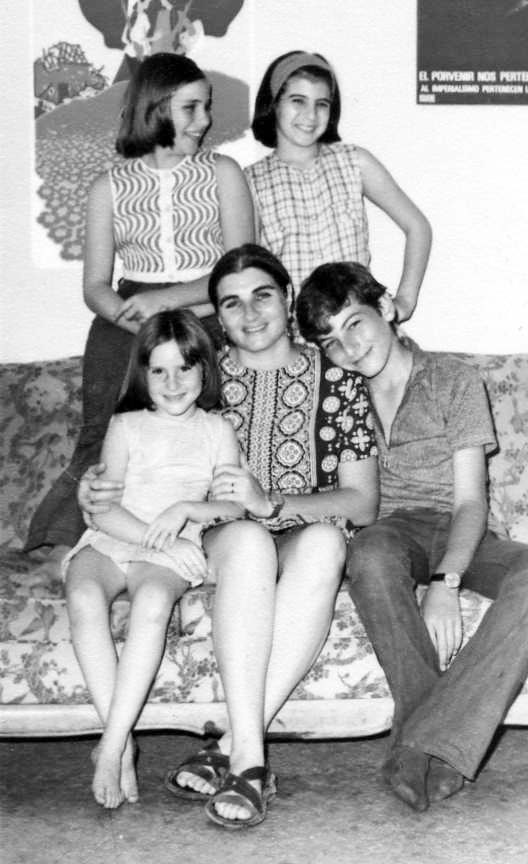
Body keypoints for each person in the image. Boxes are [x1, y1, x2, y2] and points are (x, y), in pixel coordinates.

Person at [79, 244, 379, 828]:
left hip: (298, 527)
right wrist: (90, 493)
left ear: (287, 298)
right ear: (216, 313)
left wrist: (271, 504)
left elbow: (362, 502)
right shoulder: (199, 367)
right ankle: (248, 756)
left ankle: (231, 750)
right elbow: (127, 442)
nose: (249, 313)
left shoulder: (336, 377)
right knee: (245, 540)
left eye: (262, 295)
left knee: (324, 542)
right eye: (230, 302)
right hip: (214, 537)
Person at [296, 261, 528, 812]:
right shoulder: (337, 398)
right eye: (330, 342)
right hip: (392, 532)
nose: (348, 350)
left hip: (461, 529)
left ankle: (423, 742)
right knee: (369, 552)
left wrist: (447, 581)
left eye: (354, 324)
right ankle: (436, 747)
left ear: (388, 309)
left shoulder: (453, 378)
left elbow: (471, 500)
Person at [25, 51, 254, 570]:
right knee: (101, 430)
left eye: (207, 107)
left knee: (213, 425)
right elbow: (94, 287)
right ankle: (73, 542)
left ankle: (208, 542)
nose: (206, 120)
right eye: (192, 108)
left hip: (206, 308)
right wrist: (132, 316)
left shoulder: (223, 172)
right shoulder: (107, 187)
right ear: (155, 109)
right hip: (127, 317)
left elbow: (238, 269)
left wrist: (166, 302)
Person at [64, 309, 244, 810]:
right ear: (142, 373)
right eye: (159, 370)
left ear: (204, 371)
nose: (172, 382)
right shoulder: (126, 425)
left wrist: (188, 510)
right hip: (117, 536)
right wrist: (152, 536)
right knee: (81, 593)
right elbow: (102, 511)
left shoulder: (216, 429)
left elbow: (234, 503)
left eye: (184, 369)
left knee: (150, 605)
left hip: (167, 553)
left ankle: (111, 743)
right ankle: (119, 742)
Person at [245, 50, 432, 316]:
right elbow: (247, 274)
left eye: (322, 104)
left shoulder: (354, 162)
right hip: (296, 339)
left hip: (362, 326)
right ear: (274, 103)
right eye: (298, 101)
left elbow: (418, 226)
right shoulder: (251, 181)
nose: (310, 115)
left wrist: (405, 302)